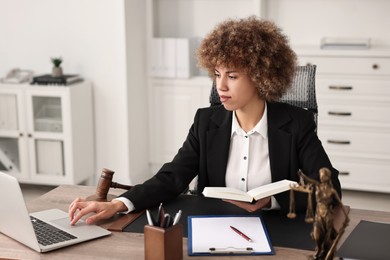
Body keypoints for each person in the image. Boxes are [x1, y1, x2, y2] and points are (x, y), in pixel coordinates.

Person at [69, 16, 341, 225]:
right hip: (214, 228)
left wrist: (273, 200)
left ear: (261, 77)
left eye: (232, 76)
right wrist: (119, 204)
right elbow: (172, 177)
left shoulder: (296, 123)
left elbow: (330, 190)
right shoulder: (205, 121)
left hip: (279, 232)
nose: (220, 86)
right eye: (216, 74)